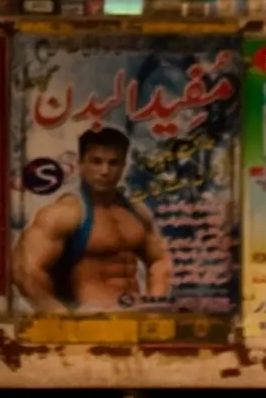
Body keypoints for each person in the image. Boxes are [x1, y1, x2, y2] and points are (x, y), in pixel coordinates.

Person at [11, 127, 172, 312]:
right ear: (80, 164)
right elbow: (24, 270)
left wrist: (154, 306)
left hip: (133, 318)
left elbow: (159, 261)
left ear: (123, 166)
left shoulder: (137, 212)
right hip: (89, 318)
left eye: (114, 163)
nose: (105, 171)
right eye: (96, 162)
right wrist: (60, 317)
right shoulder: (65, 214)